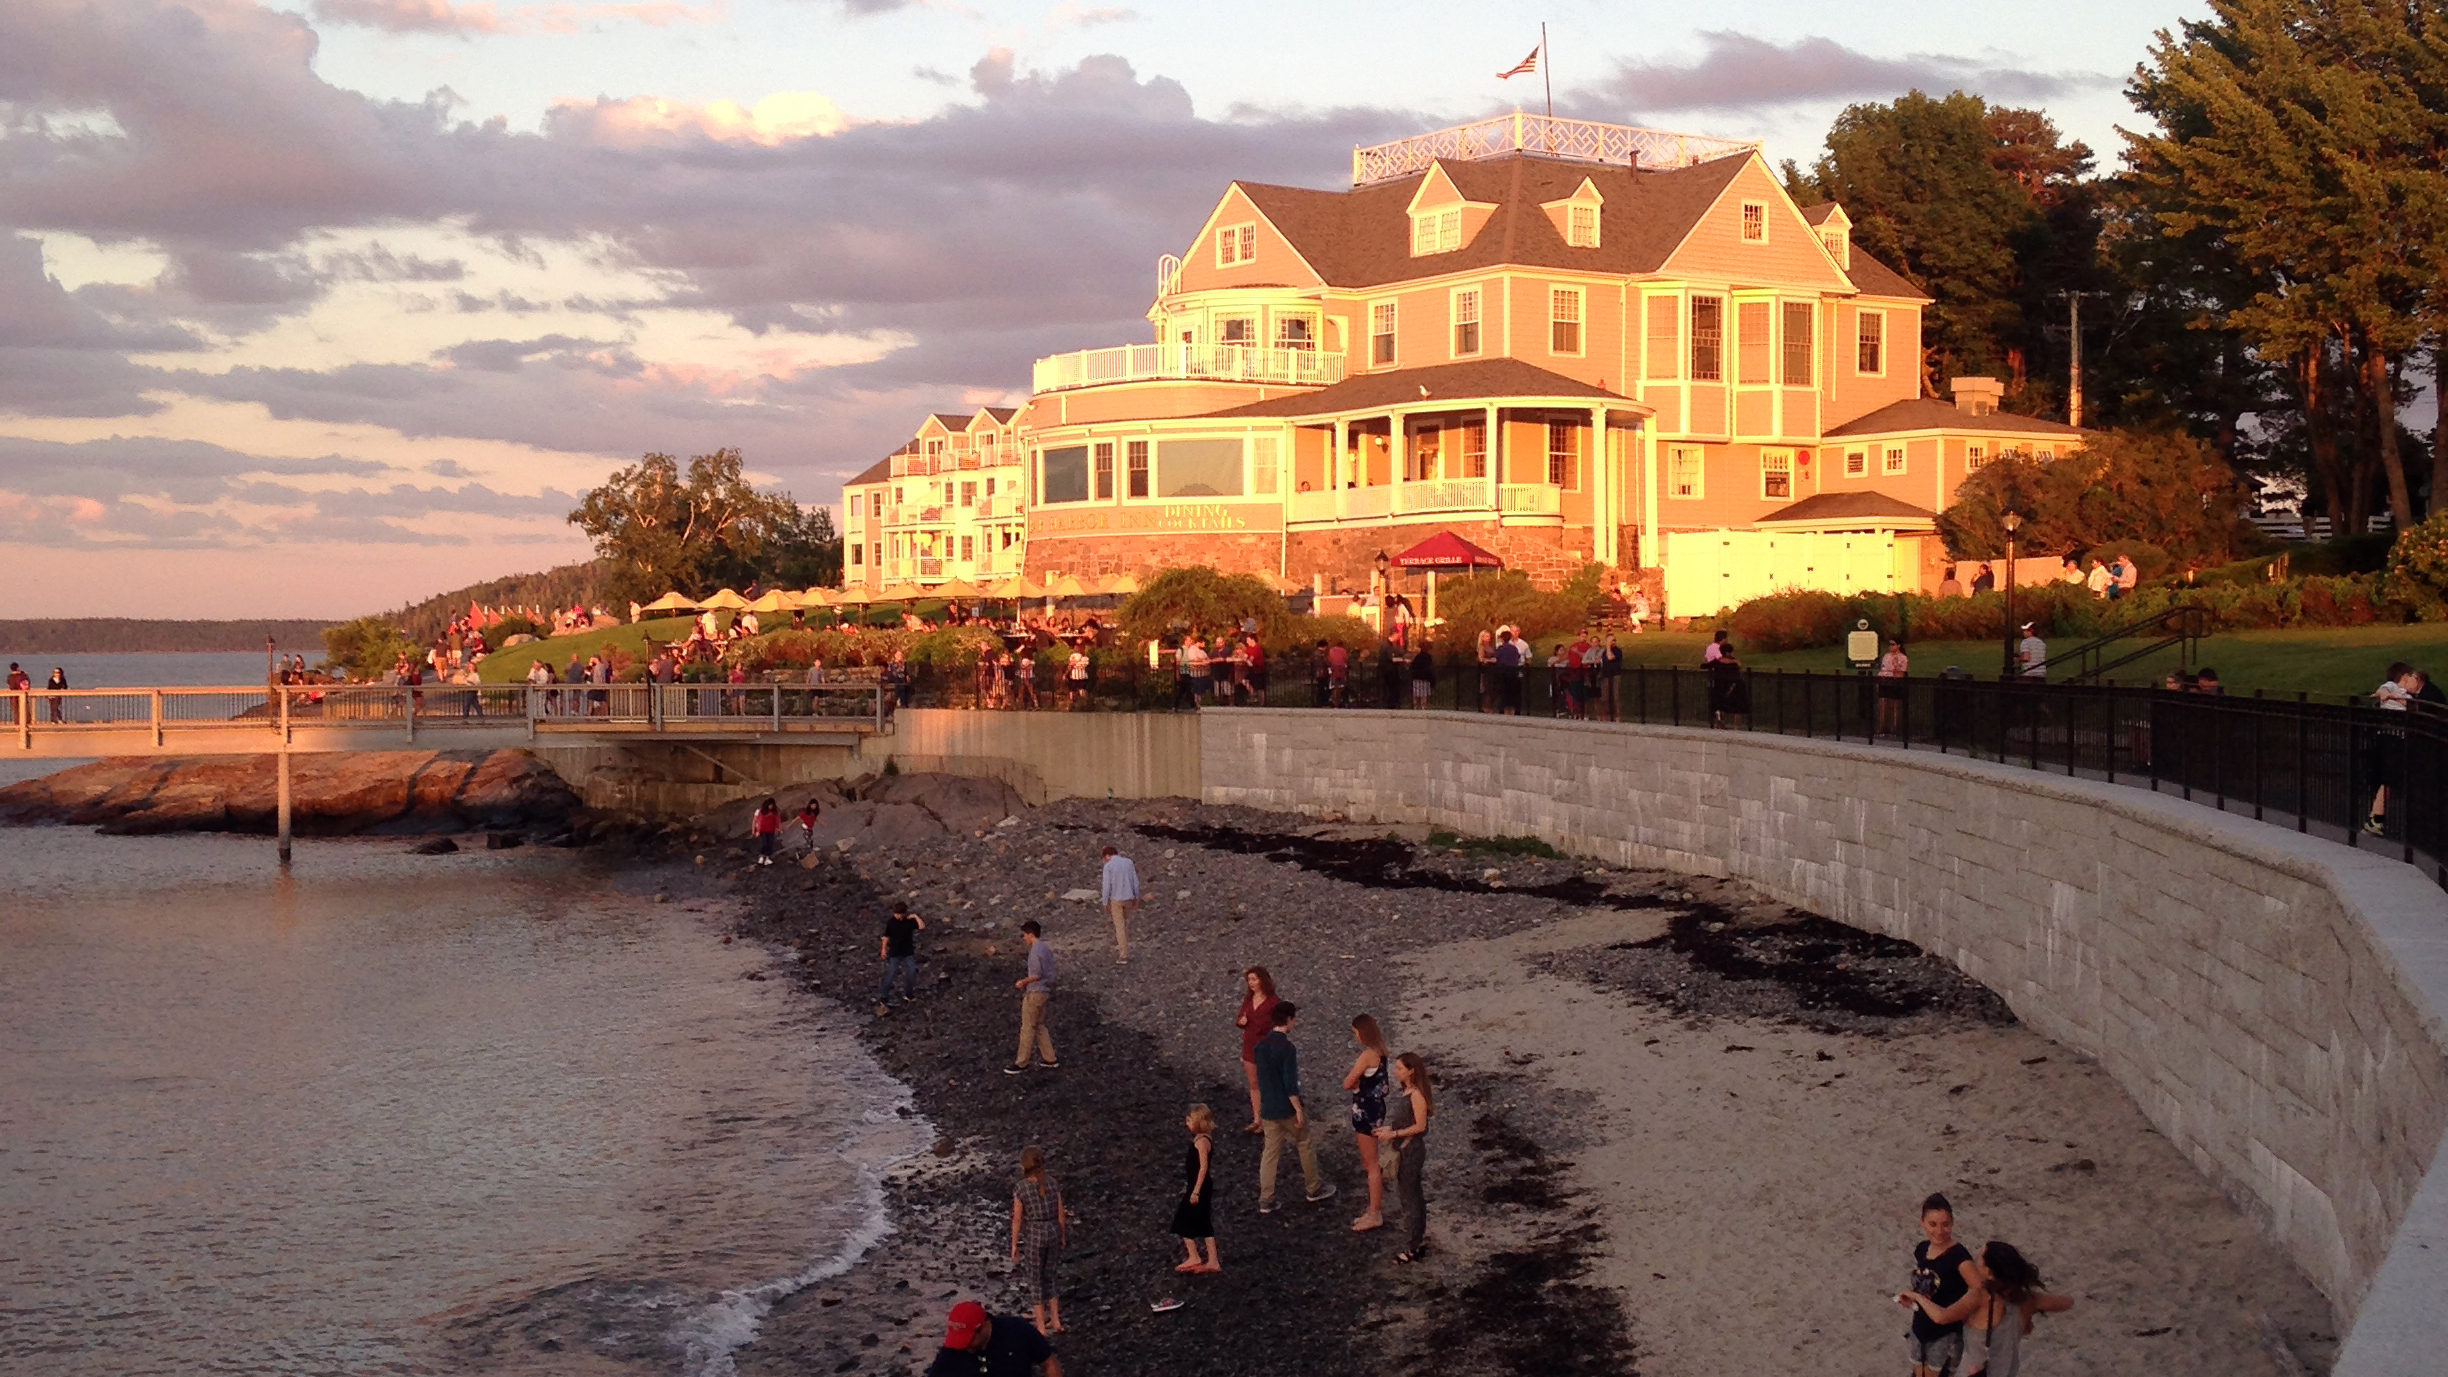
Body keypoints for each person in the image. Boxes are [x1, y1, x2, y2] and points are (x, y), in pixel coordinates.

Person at [1923, 1240, 2074, 1377]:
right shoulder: (2027, 1299)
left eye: (1979, 1260)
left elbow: (1941, 1317)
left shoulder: (1980, 1296)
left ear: (1988, 1272)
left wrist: (1917, 1297)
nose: (1975, 1263)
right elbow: (2066, 1303)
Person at [1252, 1001, 1333, 1211]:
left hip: (1268, 1107)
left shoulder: (1260, 1047)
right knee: (1304, 1142)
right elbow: (1290, 1083)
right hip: (1285, 1108)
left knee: (1270, 1152)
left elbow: (1260, 1080)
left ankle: (1266, 1198)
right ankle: (1313, 1188)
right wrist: (1298, 1109)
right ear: (1289, 1020)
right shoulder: (1287, 1048)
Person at [1898, 1192, 1979, 1377]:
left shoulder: (1958, 1256)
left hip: (1946, 1332)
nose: (1939, 1231)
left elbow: (1978, 1290)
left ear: (1953, 1223)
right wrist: (1911, 1298)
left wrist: (1959, 1314)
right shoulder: (1921, 1250)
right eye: (1932, 1224)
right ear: (1922, 1223)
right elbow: (1926, 1286)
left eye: (1945, 1224)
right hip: (1920, 1326)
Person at [1375, 1050, 1433, 1262]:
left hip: (1411, 1152)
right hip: (1409, 1149)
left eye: (1400, 1068)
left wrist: (1394, 1133)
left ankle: (1412, 1246)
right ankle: (1416, 1240)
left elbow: (1420, 1126)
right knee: (1412, 1195)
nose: (1395, 1071)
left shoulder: (1416, 1095)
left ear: (1411, 1071)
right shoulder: (1410, 1092)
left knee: (1410, 1198)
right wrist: (1389, 1130)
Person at [1010, 1146, 1067, 1336]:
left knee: (1035, 1279)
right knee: (1050, 1276)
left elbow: (1017, 1218)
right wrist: (1063, 1236)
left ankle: (1041, 1326)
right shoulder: (1052, 1184)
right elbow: (1060, 1214)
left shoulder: (1021, 1188)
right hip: (1053, 1230)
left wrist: (1014, 1244)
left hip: (1035, 1234)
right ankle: (1056, 1320)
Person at [923, 1300, 1061, 1377]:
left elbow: (1048, 1362)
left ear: (982, 1327)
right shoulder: (952, 1351)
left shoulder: (1018, 1330)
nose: (966, 1347)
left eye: (968, 1340)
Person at [1342, 1014, 1390, 1232]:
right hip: (1377, 1108)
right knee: (1372, 1161)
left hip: (1364, 1111)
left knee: (1371, 1164)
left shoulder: (1366, 1056)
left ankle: (1374, 1212)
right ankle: (1373, 1210)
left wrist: (1356, 1085)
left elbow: (1347, 1083)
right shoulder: (1382, 1052)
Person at [1168, 1104, 1221, 1277]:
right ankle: (1209, 1259)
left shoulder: (1201, 1142)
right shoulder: (1203, 1139)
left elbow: (1203, 1167)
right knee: (1203, 1222)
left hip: (1200, 1186)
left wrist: (1196, 1191)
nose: (1187, 1123)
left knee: (1183, 1220)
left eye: (1189, 1120)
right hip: (1198, 1185)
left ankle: (1196, 1257)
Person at [2365, 662, 2417, 834]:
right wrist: (2392, 696)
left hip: (2397, 738)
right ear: (2404, 678)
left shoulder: (2408, 697)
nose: (2416, 682)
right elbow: (2382, 692)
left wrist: (2397, 699)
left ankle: (2375, 818)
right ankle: (2375, 819)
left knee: (2389, 782)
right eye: (2413, 678)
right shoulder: (2392, 686)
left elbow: (2410, 707)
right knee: (2388, 780)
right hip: (2390, 738)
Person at [1007, 921, 1058, 1074]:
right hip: (1045, 991)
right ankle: (1050, 1058)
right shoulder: (1046, 949)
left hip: (1035, 992)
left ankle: (1021, 1062)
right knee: (1039, 1025)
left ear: (1030, 934)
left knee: (1027, 1027)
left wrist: (1022, 982)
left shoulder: (1035, 951)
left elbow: (1035, 974)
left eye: (1024, 935)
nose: (1024, 938)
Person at [1234, 967, 1279, 1134]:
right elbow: (1238, 1020)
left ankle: (1269, 1120)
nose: (1251, 983)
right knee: (1253, 1083)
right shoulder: (1249, 999)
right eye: (1249, 980)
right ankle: (1257, 1119)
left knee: (1267, 1083)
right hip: (1249, 1045)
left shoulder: (1273, 1002)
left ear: (1262, 980)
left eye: (1254, 979)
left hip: (1266, 1047)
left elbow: (1280, 1025)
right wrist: (1242, 1021)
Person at [877, 900, 924, 1014]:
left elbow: (922, 927)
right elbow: (886, 937)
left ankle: (909, 995)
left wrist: (916, 916)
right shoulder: (891, 923)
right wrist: (883, 950)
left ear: (903, 913)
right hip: (895, 953)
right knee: (891, 974)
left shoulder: (909, 922)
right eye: (895, 913)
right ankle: (883, 997)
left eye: (899, 914)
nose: (897, 916)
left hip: (908, 952)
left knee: (912, 972)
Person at [1099, 844, 1141, 963]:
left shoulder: (1108, 866)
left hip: (1116, 899)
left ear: (1107, 855)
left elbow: (1106, 886)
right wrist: (1136, 898)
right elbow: (1135, 881)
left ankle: (1123, 955)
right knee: (1125, 925)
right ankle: (1125, 947)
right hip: (1129, 897)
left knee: (1119, 927)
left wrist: (1105, 901)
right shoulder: (1128, 863)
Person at [1877, 638, 1910, 736]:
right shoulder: (1886, 656)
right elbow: (1882, 669)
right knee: (1883, 703)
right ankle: (1882, 726)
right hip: (1885, 680)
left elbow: (1900, 673)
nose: (1891, 646)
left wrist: (1895, 666)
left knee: (1895, 705)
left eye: (1893, 644)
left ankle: (1894, 728)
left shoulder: (1903, 658)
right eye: (1890, 644)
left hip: (1895, 681)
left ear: (1898, 646)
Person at [750, 797, 781, 866]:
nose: (771, 807)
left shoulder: (774, 812)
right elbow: (755, 821)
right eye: (770, 805)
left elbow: (777, 821)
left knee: (770, 843)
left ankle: (767, 857)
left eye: (772, 805)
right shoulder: (759, 811)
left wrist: (778, 829)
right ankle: (761, 856)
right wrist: (754, 831)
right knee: (764, 843)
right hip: (762, 830)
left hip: (771, 830)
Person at [1408, 641, 1436, 708]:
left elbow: (1412, 666)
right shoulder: (1428, 657)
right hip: (1425, 677)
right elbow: (1430, 667)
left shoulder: (1417, 657)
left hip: (1417, 677)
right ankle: (1423, 705)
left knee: (1416, 692)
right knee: (1424, 693)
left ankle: (1415, 705)